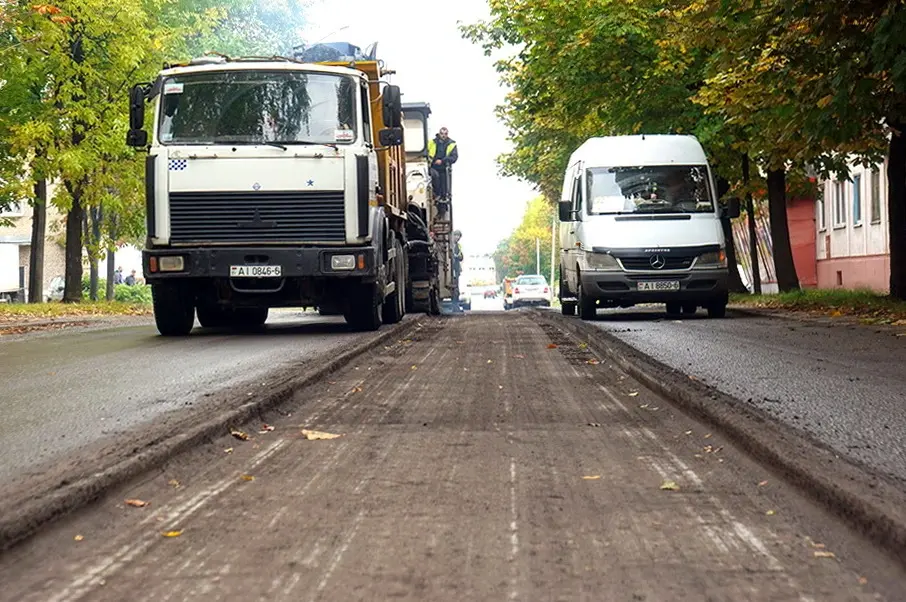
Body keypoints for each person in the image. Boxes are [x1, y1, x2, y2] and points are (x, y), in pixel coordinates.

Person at [427, 127, 458, 201]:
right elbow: (426, 153)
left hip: (444, 169)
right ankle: (436, 194)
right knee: (434, 176)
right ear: (439, 134)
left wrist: (443, 161)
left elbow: (454, 157)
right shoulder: (431, 142)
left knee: (444, 188)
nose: (443, 135)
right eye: (442, 133)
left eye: (445, 134)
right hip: (432, 167)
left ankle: (442, 198)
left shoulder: (452, 144)